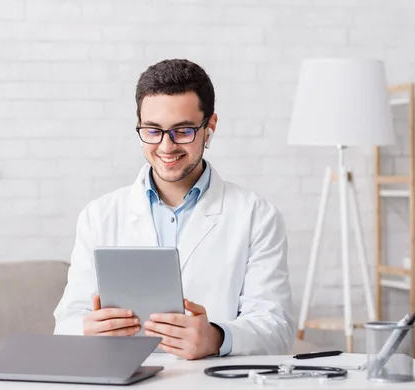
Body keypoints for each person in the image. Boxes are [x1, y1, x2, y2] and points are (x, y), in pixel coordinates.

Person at [54, 59, 294, 359]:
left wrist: (218, 338)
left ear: (210, 127)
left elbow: (278, 328)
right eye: (153, 131)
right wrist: (88, 330)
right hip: (123, 377)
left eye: (183, 131)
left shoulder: (257, 216)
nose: (166, 147)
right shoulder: (99, 216)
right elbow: (66, 322)